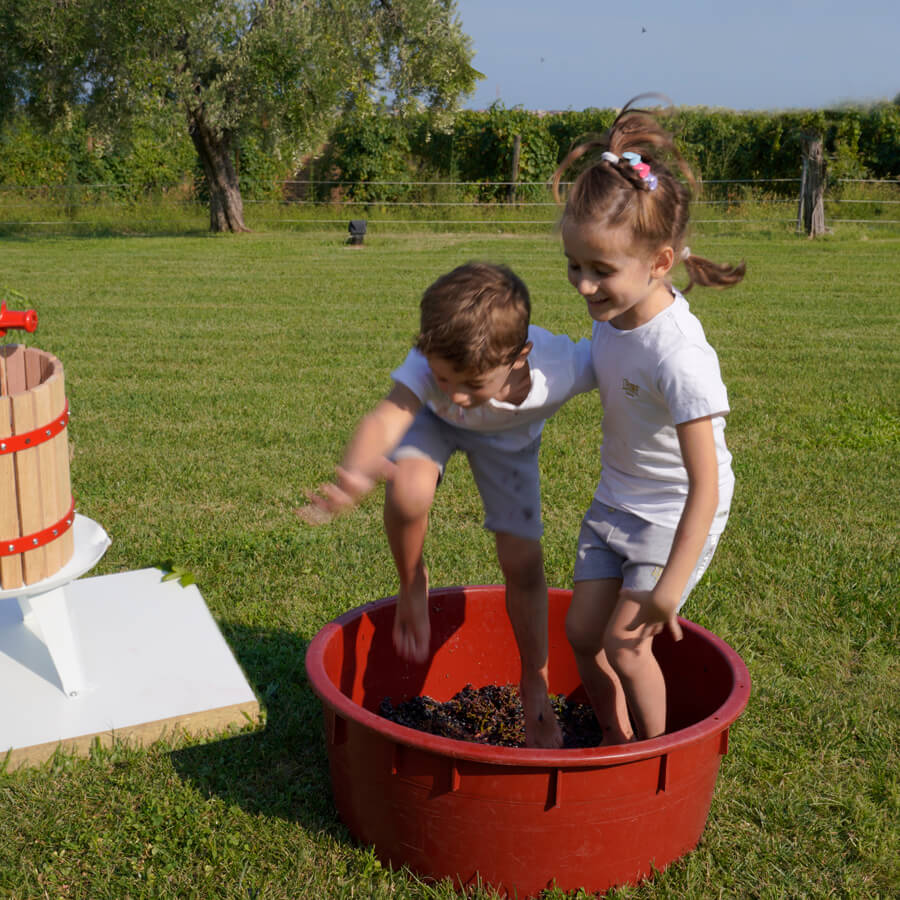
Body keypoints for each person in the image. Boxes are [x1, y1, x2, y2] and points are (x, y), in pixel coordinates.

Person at [299, 262, 596, 748]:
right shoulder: (432, 367)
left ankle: (535, 684)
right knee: (409, 490)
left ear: (519, 357)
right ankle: (412, 581)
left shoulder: (561, 367)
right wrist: (353, 473)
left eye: (472, 387)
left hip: (509, 445)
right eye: (443, 377)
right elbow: (388, 414)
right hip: (434, 425)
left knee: (523, 561)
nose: (457, 395)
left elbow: (621, 356)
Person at [551, 96, 745, 745]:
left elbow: (707, 485)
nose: (582, 286)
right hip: (615, 502)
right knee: (583, 635)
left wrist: (670, 588)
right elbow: (585, 366)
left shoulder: (679, 355)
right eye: (574, 266)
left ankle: (650, 758)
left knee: (628, 646)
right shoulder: (613, 320)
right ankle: (613, 736)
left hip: (672, 514)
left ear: (660, 262)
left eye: (600, 271)